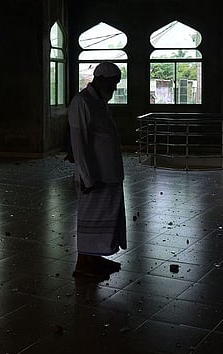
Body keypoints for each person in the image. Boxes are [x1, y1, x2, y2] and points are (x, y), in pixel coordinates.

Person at [68, 62, 126, 277]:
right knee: (90, 221)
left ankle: (95, 258)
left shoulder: (98, 102)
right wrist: (86, 176)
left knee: (104, 221)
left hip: (108, 175)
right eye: (112, 83)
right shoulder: (82, 101)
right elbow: (78, 142)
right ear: (100, 79)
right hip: (93, 177)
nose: (114, 88)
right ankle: (83, 264)